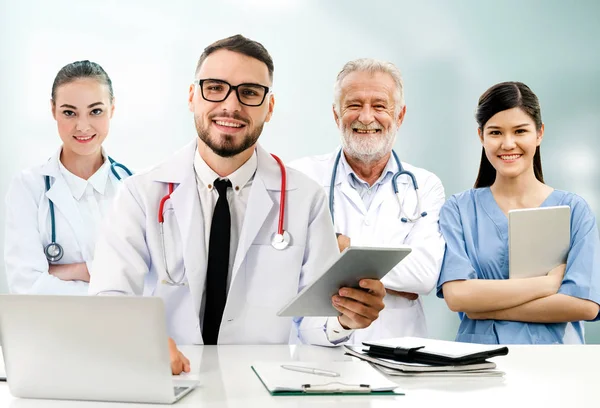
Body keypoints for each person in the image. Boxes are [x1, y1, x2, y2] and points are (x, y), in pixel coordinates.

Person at [88, 35, 386, 374]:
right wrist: (144, 339)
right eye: (215, 87)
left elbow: (314, 320)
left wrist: (345, 319)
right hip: (168, 377)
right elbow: (109, 299)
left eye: (249, 92)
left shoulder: (306, 199)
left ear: (269, 107)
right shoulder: (140, 194)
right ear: (192, 97)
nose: (231, 105)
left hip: (261, 383)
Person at [290, 58, 445, 343]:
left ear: (399, 116)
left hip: (400, 353)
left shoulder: (425, 185)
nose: (365, 117)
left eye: (379, 105)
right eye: (353, 105)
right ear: (336, 115)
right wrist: (397, 278)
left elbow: (424, 275)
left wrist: (341, 253)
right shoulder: (301, 177)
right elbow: (294, 272)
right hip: (321, 349)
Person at [437, 81, 600, 344]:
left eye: (520, 131)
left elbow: (584, 305)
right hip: (481, 365)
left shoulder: (575, 211)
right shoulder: (459, 210)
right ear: (481, 136)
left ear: (539, 133)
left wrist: (482, 307)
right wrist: (547, 286)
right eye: (496, 133)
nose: (508, 143)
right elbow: (458, 297)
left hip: (557, 366)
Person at [4, 60, 132, 295]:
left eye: (95, 111)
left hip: (121, 329)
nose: (82, 126)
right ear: (53, 110)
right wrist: (102, 277)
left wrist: (64, 271)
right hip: (53, 329)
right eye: (69, 112)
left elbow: (148, 281)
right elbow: (26, 286)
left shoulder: (134, 188)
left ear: (112, 108)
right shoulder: (27, 188)